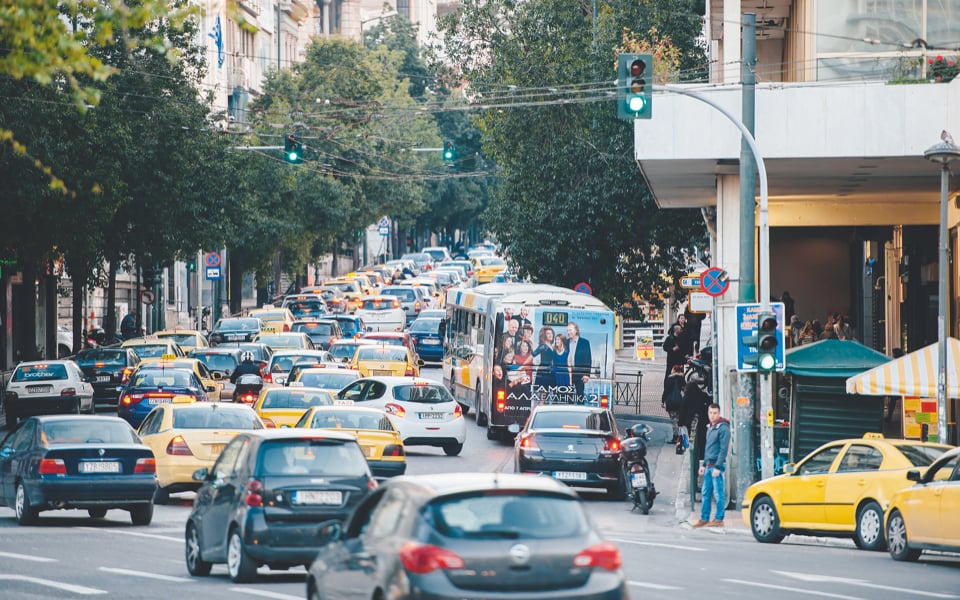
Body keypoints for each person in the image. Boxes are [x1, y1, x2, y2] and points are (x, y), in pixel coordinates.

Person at [692, 403, 731, 528]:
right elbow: (708, 448)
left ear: (719, 413)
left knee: (718, 493)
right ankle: (704, 518)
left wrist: (718, 467)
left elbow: (723, 449)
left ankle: (719, 519)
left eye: (715, 413)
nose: (712, 416)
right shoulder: (710, 427)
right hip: (709, 465)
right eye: (710, 413)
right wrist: (703, 464)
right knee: (706, 493)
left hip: (716, 466)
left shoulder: (723, 428)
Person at [566, 322, 592, 400]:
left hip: (580, 374)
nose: (568, 332)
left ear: (576, 330)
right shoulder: (565, 342)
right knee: (568, 397)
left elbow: (588, 359)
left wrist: (587, 374)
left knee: (580, 397)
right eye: (567, 330)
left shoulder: (584, 343)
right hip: (568, 374)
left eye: (570, 330)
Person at [885, 347, 905, 422]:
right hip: (902, 384)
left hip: (898, 385)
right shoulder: (902, 361)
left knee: (893, 400)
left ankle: (889, 416)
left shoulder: (895, 362)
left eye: (893, 353)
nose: (892, 355)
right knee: (894, 400)